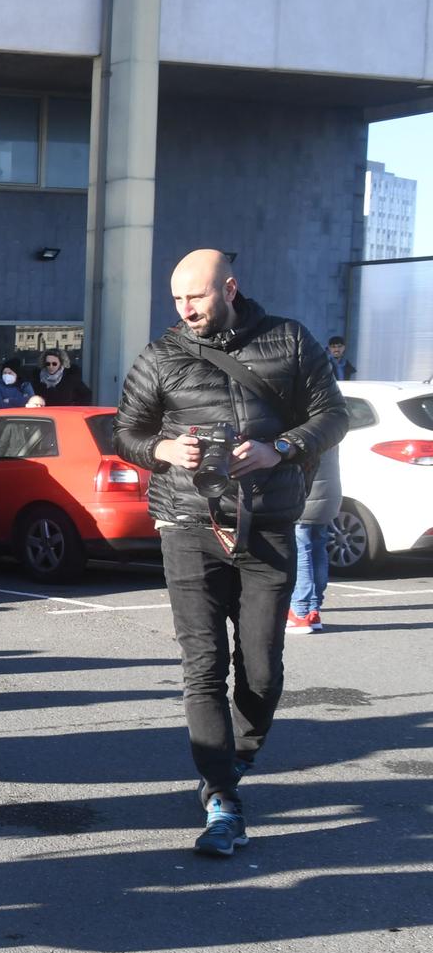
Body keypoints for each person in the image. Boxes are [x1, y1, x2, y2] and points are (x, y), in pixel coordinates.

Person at [115, 248, 346, 858]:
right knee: (203, 664)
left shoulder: (290, 341)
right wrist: (166, 451)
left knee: (264, 668)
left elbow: (333, 416)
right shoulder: (161, 356)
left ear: (230, 289)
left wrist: (282, 448)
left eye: (196, 296)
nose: (186, 309)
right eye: (177, 300)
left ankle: (235, 758)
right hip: (189, 523)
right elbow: (127, 432)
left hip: (268, 523)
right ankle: (220, 795)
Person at [288, 444, 341, 636]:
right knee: (318, 549)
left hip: (304, 495)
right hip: (328, 494)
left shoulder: (302, 423)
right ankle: (313, 611)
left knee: (301, 552)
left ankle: (299, 613)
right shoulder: (330, 420)